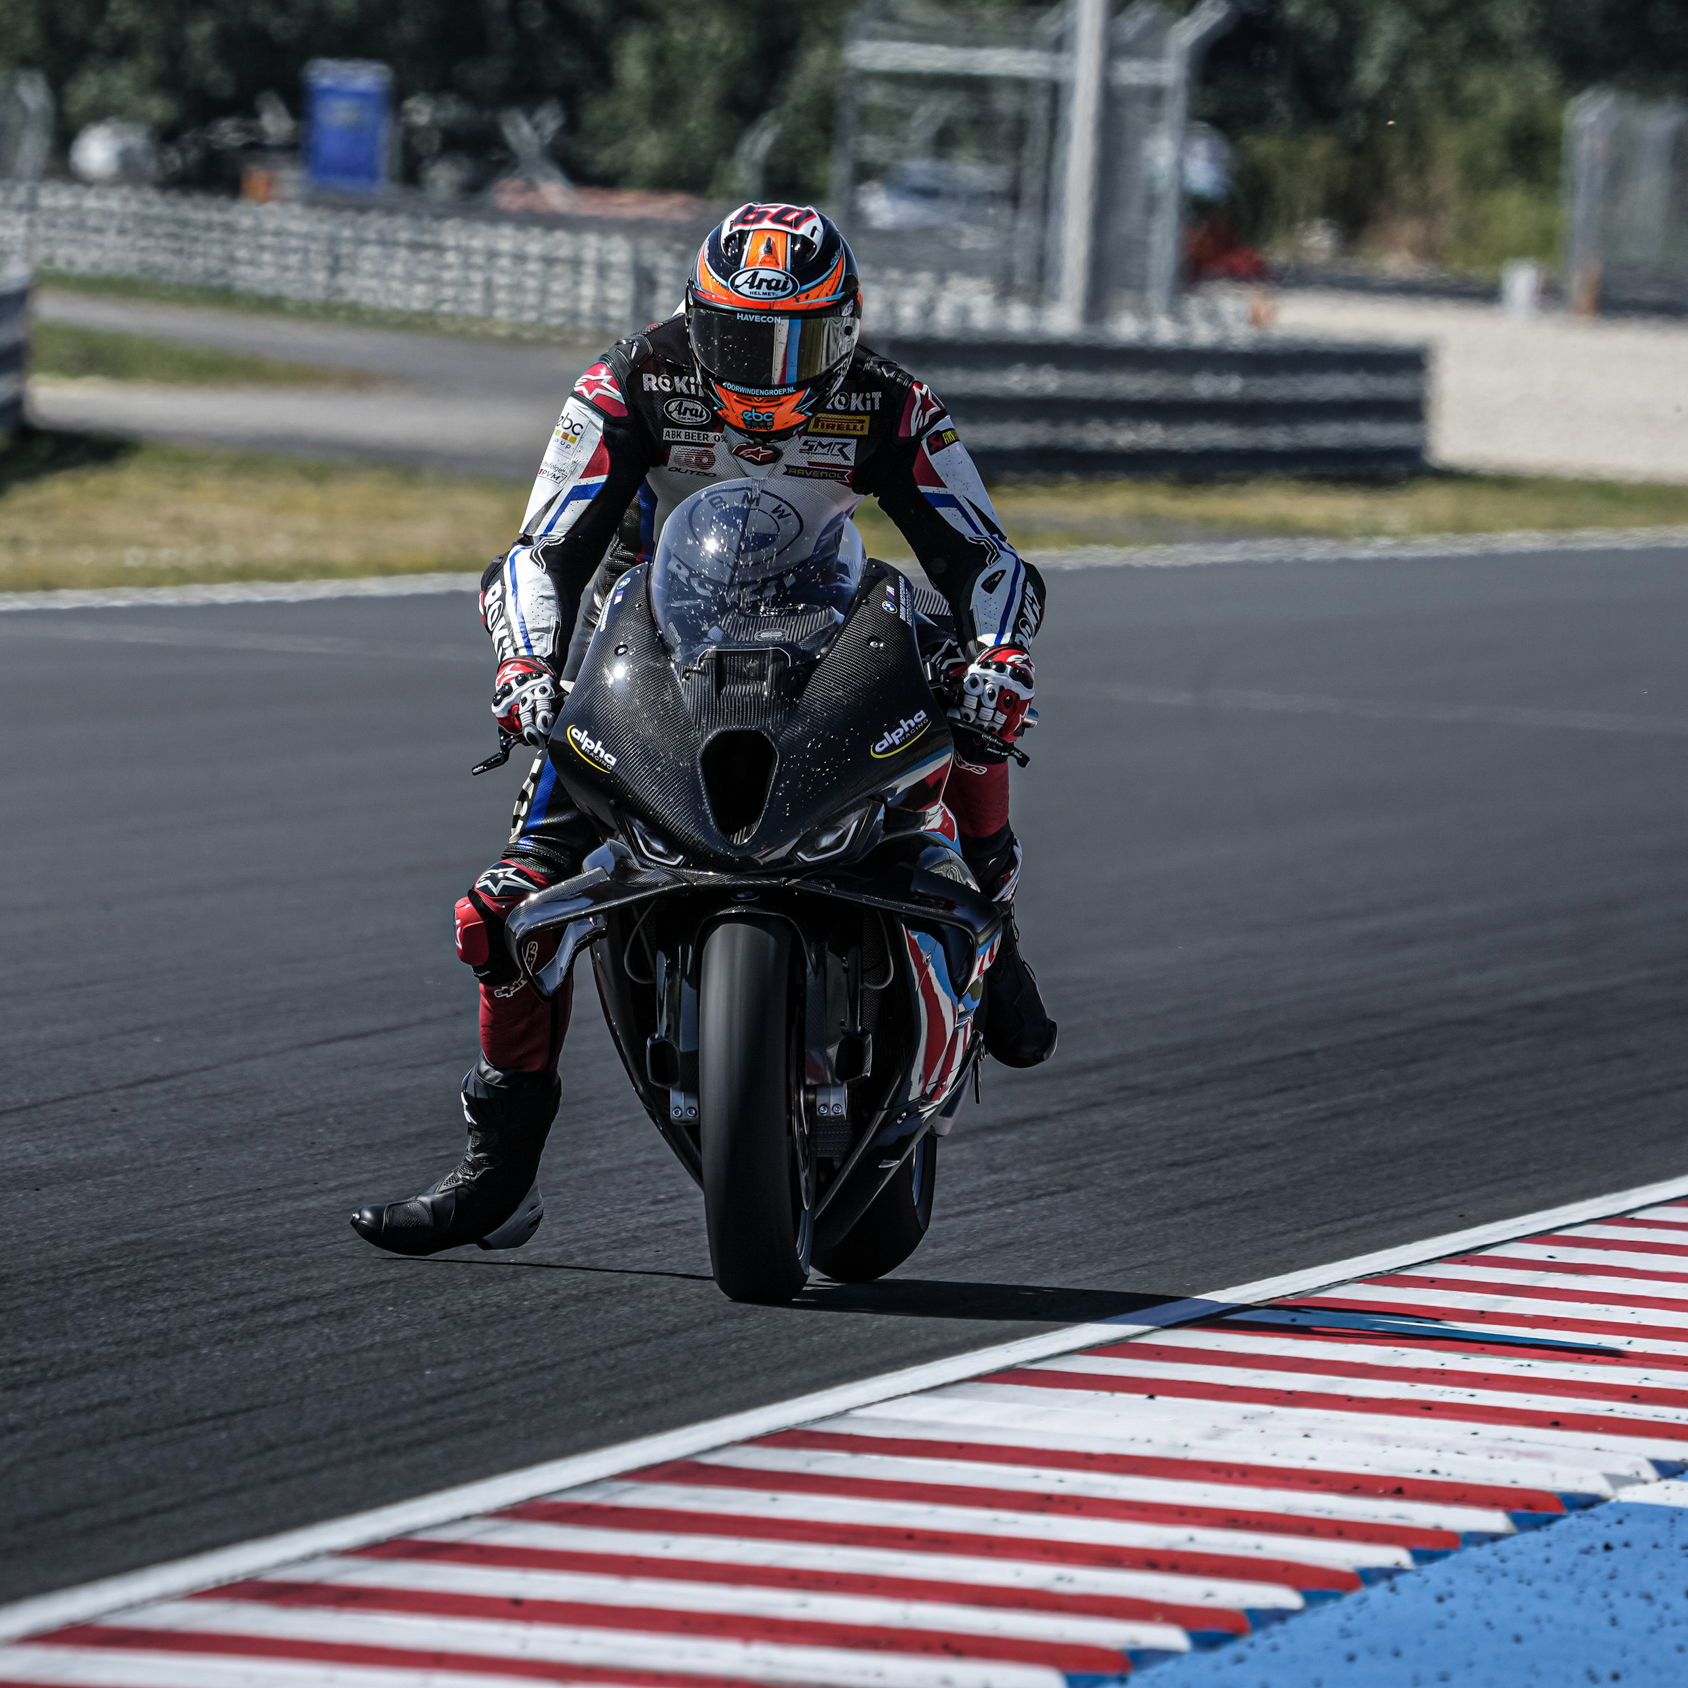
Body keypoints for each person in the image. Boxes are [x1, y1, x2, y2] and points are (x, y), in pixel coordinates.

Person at [352, 203, 1054, 1258]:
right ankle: (499, 1173)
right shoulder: (627, 380)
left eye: (798, 344)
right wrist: (524, 667)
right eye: (738, 341)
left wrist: (999, 656)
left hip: (824, 629)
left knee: (966, 705)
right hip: (650, 640)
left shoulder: (893, 403)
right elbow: (539, 550)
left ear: (847, 331)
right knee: (503, 908)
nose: (767, 376)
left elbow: (983, 556)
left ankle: (993, 927)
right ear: (693, 318)